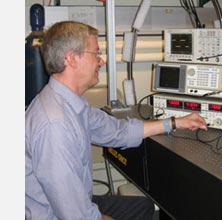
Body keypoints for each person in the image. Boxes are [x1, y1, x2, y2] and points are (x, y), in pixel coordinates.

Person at [25, 21, 208, 220]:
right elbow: (74, 215)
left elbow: (116, 131)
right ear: (72, 59)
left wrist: (173, 123)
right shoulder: (55, 125)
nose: (101, 61)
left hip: (72, 205)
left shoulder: (69, 102)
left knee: (143, 207)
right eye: (96, 54)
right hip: (53, 214)